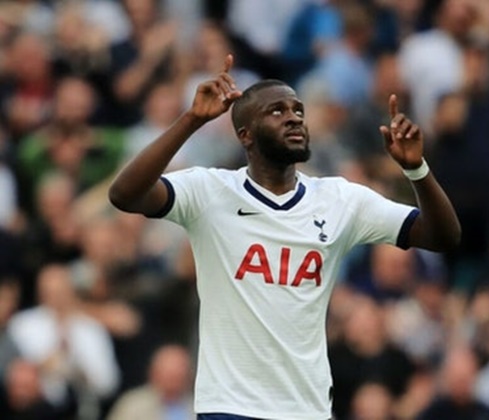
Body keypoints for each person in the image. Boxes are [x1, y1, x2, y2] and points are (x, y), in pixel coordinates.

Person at [108, 54, 460, 419]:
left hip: (306, 409)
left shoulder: (340, 199)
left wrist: (416, 169)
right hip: (231, 407)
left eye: (298, 110)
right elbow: (124, 194)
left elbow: (442, 237)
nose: (293, 117)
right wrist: (191, 120)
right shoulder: (210, 191)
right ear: (245, 135)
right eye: (276, 111)